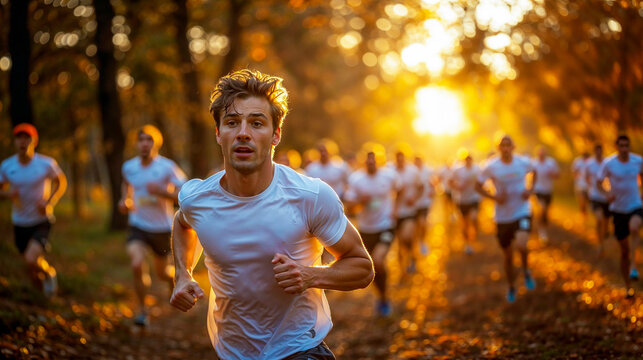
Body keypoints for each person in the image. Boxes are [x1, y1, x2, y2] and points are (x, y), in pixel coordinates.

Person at [170, 69, 374, 359]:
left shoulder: (310, 196)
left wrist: (309, 275)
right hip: (232, 352)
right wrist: (182, 274)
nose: (243, 132)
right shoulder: (197, 198)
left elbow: (362, 267)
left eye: (256, 123)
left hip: (300, 347)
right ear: (218, 133)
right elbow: (182, 222)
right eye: (231, 122)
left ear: (276, 134)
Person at [119, 125, 187, 326]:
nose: (144, 144)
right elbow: (126, 185)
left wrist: (163, 192)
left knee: (162, 273)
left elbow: (184, 192)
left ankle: (171, 282)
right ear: (137, 144)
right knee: (137, 263)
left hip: (161, 228)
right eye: (141, 140)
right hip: (138, 226)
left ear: (156, 144)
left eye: (149, 140)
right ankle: (142, 311)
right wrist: (125, 200)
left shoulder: (166, 167)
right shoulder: (129, 167)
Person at [0, 123, 67, 297]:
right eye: (19, 138)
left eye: (26, 138)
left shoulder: (46, 163)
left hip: (41, 220)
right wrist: (8, 195)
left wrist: (49, 201)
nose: (23, 142)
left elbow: (61, 182)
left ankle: (48, 280)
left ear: (34, 141)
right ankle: (42, 290)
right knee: (30, 264)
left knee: (31, 259)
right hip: (20, 221)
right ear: (14, 141)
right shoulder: (7, 166)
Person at [476, 135, 536, 303]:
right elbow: (477, 186)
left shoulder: (523, 162)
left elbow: (535, 172)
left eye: (508, 145)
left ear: (513, 147)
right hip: (502, 217)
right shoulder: (491, 166)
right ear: (499, 148)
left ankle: (526, 270)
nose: (506, 148)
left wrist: (529, 190)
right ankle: (511, 286)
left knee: (522, 244)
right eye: (502, 145)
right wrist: (494, 197)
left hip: (522, 211)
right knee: (508, 256)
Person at [344, 144, 397, 316]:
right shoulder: (356, 179)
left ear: (379, 161)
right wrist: (360, 201)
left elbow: (400, 189)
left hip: (386, 226)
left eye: (374, 160)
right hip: (366, 229)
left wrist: (395, 209)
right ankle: (382, 297)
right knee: (373, 267)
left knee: (379, 260)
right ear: (364, 162)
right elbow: (349, 207)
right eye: (368, 160)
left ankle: (384, 298)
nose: (371, 163)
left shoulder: (388, 176)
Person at [597, 135, 643, 298]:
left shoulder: (638, 161)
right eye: (621, 146)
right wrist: (607, 193)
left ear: (629, 147)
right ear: (616, 147)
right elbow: (599, 182)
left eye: (627, 146)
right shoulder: (609, 164)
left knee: (635, 227)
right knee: (623, 250)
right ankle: (628, 286)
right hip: (618, 210)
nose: (624, 149)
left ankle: (633, 265)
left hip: (635, 206)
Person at [392, 149, 422, 274]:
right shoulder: (390, 171)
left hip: (410, 211)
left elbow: (421, 187)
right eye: (397, 158)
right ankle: (403, 267)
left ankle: (412, 258)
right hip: (395, 212)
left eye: (402, 158)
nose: (400, 161)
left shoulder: (413, 171)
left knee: (407, 237)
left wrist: (414, 198)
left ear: (405, 158)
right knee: (399, 242)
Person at [449, 151, 481, 255]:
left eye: (470, 159)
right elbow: (450, 181)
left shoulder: (477, 169)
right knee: (465, 223)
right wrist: (458, 187)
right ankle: (468, 244)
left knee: (474, 217)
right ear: (463, 160)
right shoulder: (458, 170)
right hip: (462, 200)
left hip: (474, 198)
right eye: (466, 159)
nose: (468, 161)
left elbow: (482, 181)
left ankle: (475, 233)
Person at [585, 144, 610, 258]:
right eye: (597, 151)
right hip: (595, 196)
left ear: (602, 151)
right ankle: (600, 245)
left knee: (606, 220)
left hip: (607, 196)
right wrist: (590, 186)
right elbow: (586, 176)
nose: (599, 153)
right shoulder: (589, 164)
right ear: (594, 152)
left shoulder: (608, 162)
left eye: (600, 151)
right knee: (599, 219)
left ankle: (605, 231)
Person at [531, 147, 559, 242]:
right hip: (538, 190)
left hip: (548, 191)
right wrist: (531, 189)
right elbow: (531, 177)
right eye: (540, 153)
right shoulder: (534, 163)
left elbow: (558, 175)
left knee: (545, 211)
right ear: (537, 154)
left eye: (543, 153)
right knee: (542, 209)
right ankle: (541, 231)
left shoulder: (551, 162)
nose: (541, 155)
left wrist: (552, 174)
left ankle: (543, 227)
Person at [414, 155, 435, 256]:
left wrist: (432, 191)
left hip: (425, 202)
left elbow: (433, 182)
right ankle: (416, 243)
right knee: (416, 226)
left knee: (422, 223)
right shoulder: (412, 171)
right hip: (413, 205)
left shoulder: (428, 170)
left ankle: (422, 242)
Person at [572, 152, 590, 219]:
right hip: (580, 185)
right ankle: (583, 215)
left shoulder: (591, 161)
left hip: (589, 186)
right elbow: (574, 172)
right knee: (582, 202)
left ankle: (585, 215)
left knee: (587, 203)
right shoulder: (578, 161)